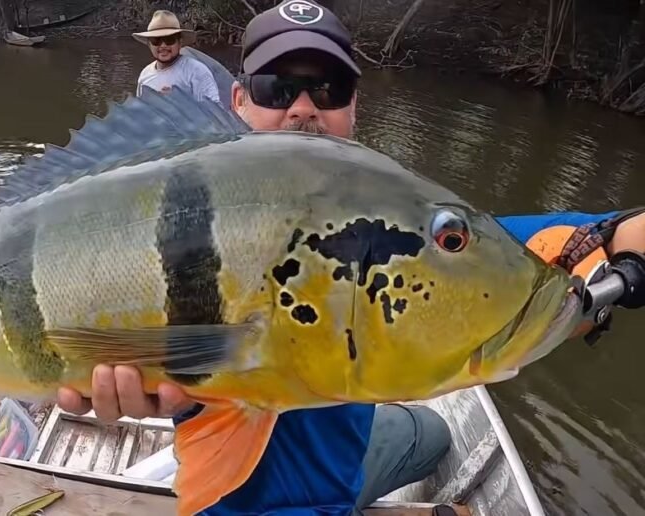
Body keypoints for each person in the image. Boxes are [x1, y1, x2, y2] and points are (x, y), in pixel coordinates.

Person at [57, 1, 645, 514]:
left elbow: (528, 248)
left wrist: (616, 235)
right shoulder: (182, 217)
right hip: (234, 498)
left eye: (329, 88)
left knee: (434, 434)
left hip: (339, 479)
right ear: (239, 101)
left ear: (354, 107)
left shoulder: (385, 221)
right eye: (277, 89)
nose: (304, 107)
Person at [133, 9, 220, 104]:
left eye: (169, 39)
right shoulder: (144, 76)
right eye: (156, 40)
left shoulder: (196, 71)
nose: (163, 46)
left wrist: (179, 102)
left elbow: (215, 113)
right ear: (149, 44)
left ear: (180, 42)